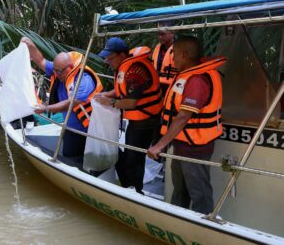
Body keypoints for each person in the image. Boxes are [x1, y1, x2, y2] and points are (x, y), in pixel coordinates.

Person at [147, 36, 225, 215]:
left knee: (199, 193)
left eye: (173, 55)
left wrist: (160, 145)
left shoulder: (198, 80)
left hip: (194, 148)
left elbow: (183, 116)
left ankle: (203, 230)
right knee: (179, 189)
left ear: (184, 55)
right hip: (182, 144)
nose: (172, 59)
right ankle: (177, 219)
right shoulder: (186, 76)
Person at [95, 37, 162, 194]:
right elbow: (121, 91)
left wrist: (109, 102)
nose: (108, 61)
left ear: (122, 55)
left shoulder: (135, 72)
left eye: (110, 58)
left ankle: (135, 192)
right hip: (136, 120)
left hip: (145, 120)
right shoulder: (126, 67)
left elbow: (131, 103)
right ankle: (128, 187)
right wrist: (105, 94)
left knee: (134, 159)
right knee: (129, 156)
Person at [21, 37, 103, 158]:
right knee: (70, 157)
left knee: (91, 160)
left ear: (70, 67)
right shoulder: (59, 70)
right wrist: (29, 44)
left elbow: (71, 103)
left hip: (89, 130)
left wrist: (46, 108)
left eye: (60, 71)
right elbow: (40, 60)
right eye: (55, 71)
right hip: (71, 128)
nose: (57, 74)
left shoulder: (84, 79)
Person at [152, 21, 178, 96]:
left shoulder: (178, 49)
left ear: (172, 33)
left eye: (163, 34)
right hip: (157, 86)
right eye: (158, 34)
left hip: (172, 87)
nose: (160, 37)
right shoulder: (157, 48)